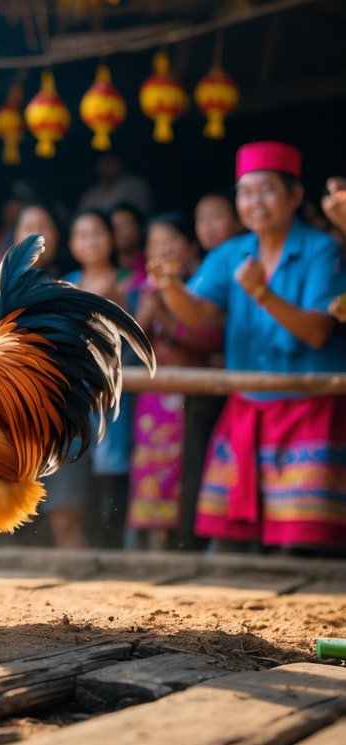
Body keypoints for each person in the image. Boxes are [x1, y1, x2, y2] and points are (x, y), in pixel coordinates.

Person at [151, 141, 346, 554]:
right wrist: (169, 285)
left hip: (309, 406)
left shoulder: (320, 248)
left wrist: (262, 292)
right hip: (248, 404)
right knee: (227, 541)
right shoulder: (230, 252)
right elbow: (198, 313)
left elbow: (317, 331)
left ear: (294, 196)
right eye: (246, 192)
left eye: (267, 190)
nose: (254, 202)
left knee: (301, 544)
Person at [41, 210, 140, 549]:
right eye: (81, 235)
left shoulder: (134, 282)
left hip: (120, 403)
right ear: (71, 243)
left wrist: (121, 303)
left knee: (113, 496)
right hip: (70, 404)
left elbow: (143, 340)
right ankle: (74, 564)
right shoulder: (62, 285)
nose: (90, 241)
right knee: (68, 500)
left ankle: (116, 565)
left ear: (112, 238)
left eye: (97, 232)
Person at [128, 214, 222, 550]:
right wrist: (147, 313)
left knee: (188, 468)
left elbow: (206, 340)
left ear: (189, 246)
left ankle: (187, 543)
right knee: (151, 469)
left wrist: (166, 317)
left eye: (170, 242)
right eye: (154, 244)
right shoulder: (144, 291)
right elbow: (132, 349)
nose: (162, 251)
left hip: (193, 397)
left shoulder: (202, 287)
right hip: (154, 400)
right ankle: (155, 543)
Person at [77, 154, 154, 215]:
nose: (107, 167)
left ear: (121, 164)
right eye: (103, 163)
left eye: (110, 162)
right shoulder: (92, 193)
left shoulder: (135, 186)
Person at [110, 203, 147, 274]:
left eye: (125, 225)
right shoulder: (104, 266)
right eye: (114, 226)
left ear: (138, 228)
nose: (118, 231)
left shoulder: (149, 262)